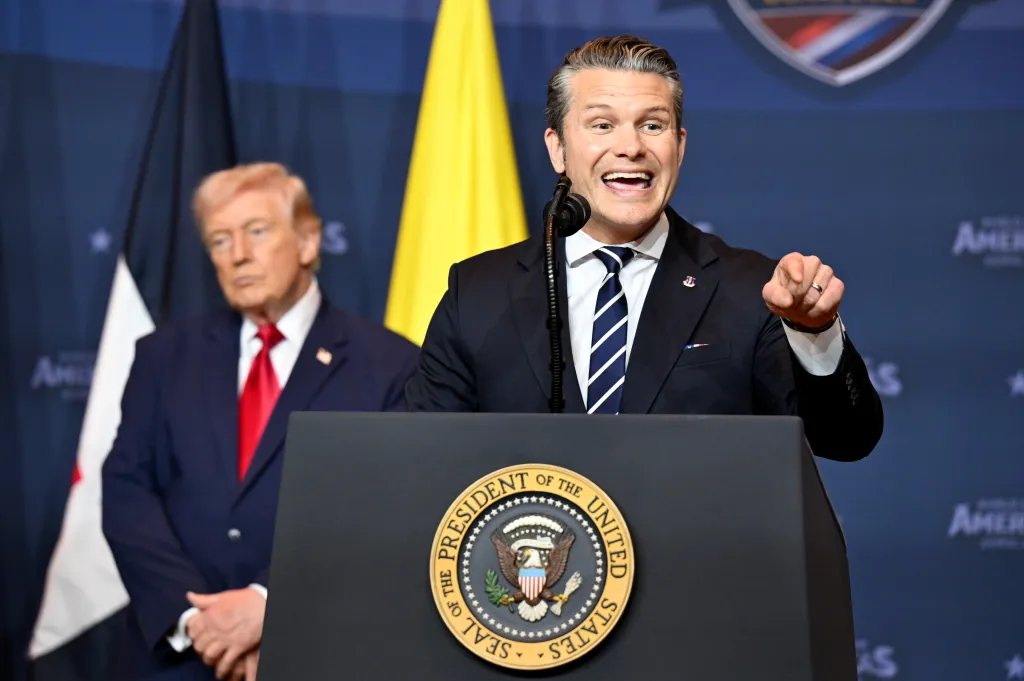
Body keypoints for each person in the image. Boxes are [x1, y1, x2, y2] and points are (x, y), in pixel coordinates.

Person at [404, 35, 883, 462]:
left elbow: (845, 440)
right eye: (602, 125)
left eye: (652, 126)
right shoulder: (478, 291)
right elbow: (422, 458)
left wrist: (813, 332)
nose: (630, 147)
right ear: (558, 149)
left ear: (679, 145)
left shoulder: (748, 289)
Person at [101, 163, 420, 681]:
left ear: (308, 242)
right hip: (177, 654)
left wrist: (270, 604)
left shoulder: (390, 365)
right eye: (220, 240)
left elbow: (386, 511)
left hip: (317, 652)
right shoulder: (164, 356)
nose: (238, 255)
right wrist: (197, 623)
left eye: (257, 231)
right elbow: (126, 491)